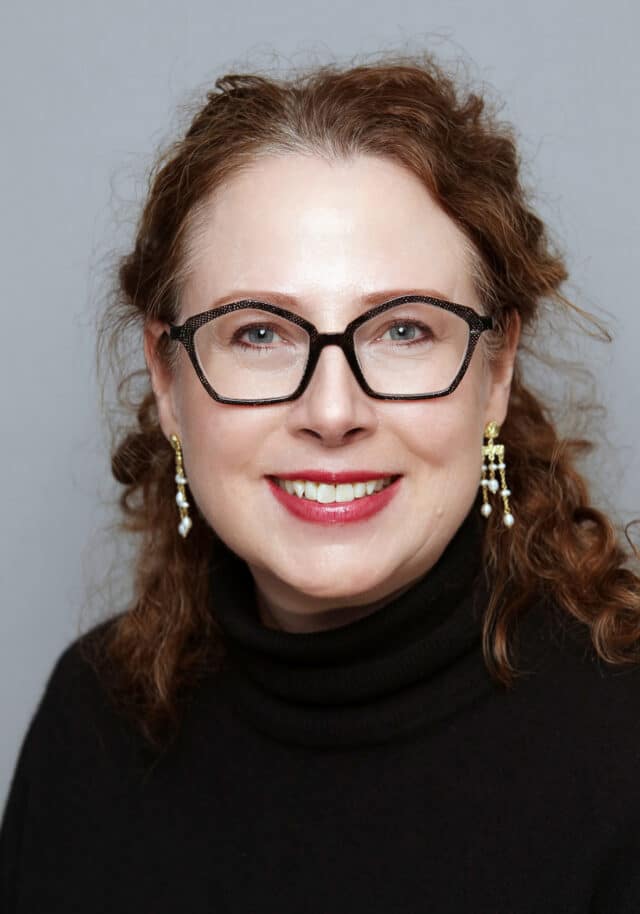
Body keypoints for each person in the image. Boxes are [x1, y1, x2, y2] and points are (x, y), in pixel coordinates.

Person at [2, 50, 639, 913]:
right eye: (259, 333)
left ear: (495, 372)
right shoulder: (92, 721)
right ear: (167, 378)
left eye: (405, 330)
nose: (332, 409)